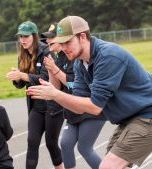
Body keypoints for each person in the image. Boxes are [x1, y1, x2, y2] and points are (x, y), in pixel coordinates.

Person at [27, 16, 152, 169]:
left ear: (82, 36)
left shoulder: (107, 55)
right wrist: (54, 95)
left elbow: (95, 107)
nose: (63, 47)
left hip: (151, 116)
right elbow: (78, 105)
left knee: (107, 167)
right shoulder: (80, 63)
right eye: (61, 43)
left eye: (67, 42)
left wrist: (55, 94)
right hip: (129, 119)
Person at [41, 22, 106, 169]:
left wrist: (56, 70)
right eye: (47, 38)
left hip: (88, 108)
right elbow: (57, 87)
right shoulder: (58, 58)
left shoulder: (74, 56)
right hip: (72, 109)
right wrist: (51, 70)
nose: (48, 41)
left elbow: (73, 84)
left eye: (52, 38)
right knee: (65, 144)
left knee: (84, 148)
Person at [6, 21, 63, 169]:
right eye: (20, 37)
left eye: (26, 36)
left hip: (53, 105)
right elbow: (20, 84)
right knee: (32, 142)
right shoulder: (22, 54)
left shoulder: (47, 52)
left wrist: (23, 76)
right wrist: (17, 78)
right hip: (36, 106)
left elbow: (45, 79)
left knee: (51, 143)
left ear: (34, 36)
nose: (22, 40)